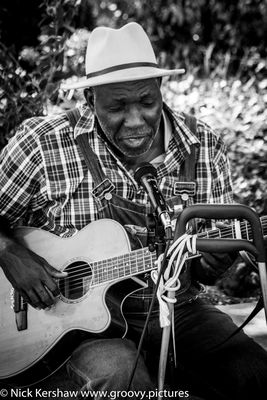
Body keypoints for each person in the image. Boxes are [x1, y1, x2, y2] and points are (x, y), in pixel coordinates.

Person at [0, 22, 267, 400]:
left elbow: (209, 271)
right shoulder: (43, 143)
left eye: (146, 102)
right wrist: (9, 252)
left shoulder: (203, 145)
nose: (136, 120)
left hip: (180, 310)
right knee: (124, 383)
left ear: (161, 90)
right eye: (118, 107)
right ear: (90, 99)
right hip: (79, 329)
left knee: (253, 373)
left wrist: (213, 262)